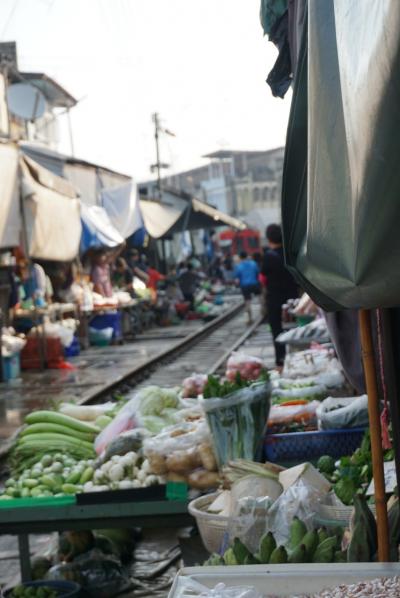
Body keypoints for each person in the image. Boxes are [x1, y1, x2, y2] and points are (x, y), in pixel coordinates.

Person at [262, 223, 298, 367]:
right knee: (296, 328)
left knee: (277, 330)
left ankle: (281, 361)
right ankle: (297, 358)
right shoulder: (289, 254)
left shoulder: (268, 256)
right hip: (293, 297)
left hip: (275, 298)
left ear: (268, 238)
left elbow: (263, 278)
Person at [234, 251, 260, 324]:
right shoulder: (253, 263)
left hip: (244, 286)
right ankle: (263, 311)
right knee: (260, 297)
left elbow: (237, 278)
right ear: (247, 256)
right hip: (254, 284)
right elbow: (257, 273)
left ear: (240, 257)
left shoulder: (239, 266)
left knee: (247, 301)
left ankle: (249, 318)